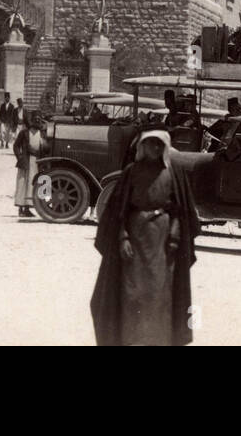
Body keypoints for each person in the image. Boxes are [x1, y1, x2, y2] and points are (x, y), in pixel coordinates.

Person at [91, 129, 200, 346]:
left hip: (162, 242)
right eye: (151, 144)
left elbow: (181, 209)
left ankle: (161, 340)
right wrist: (122, 238)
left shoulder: (174, 172)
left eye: (159, 144)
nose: (155, 148)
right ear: (142, 146)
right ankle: (132, 340)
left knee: (161, 290)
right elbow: (118, 211)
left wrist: (175, 232)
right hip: (135, 239)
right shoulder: (131, 172)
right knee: (133, 291)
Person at [12, 112, 46, 217]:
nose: (37, 121)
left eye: (39, 119)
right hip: (25, 162)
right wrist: (20, 157)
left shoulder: (42, 134)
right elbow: (16, 146)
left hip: (36, 162)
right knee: (22, 184)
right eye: (35, 119)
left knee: (31, 185)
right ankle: (20, 209)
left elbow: (46, 148)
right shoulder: (24, 133)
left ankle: (27, 208)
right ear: (31, 121)